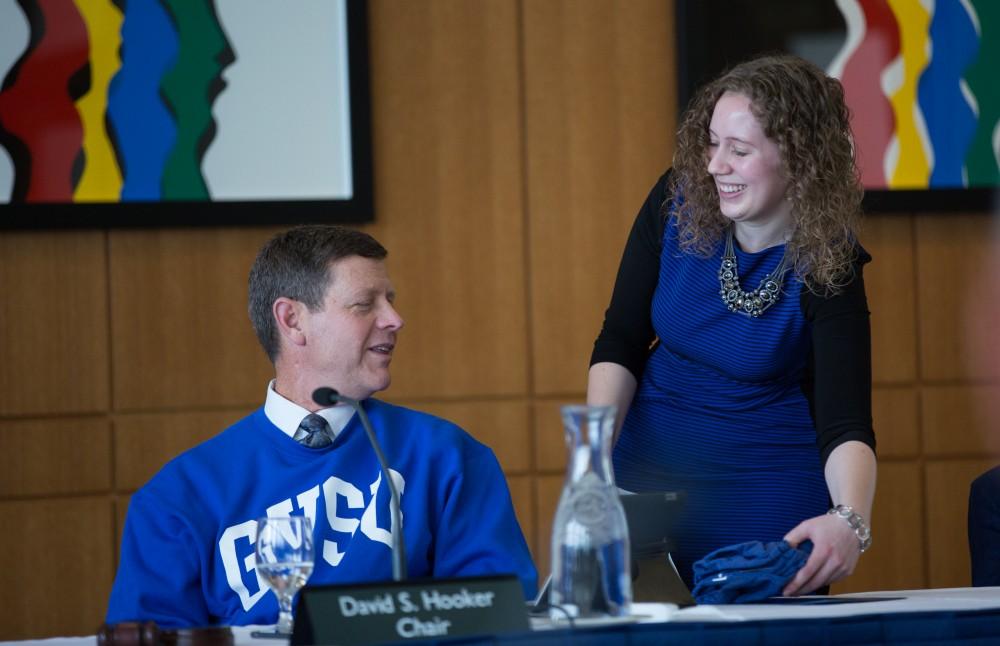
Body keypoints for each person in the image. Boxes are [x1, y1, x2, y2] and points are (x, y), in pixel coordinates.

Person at [106, 225, 537, 627]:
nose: (394, 319)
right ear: (292, 320)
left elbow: (498, 615)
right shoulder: (177, 497)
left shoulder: (448, 457)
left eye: (390, 300)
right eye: (365, 304)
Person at [588, 55, 876, 596]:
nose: (715, 164)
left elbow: (846, 423)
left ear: (799, 160)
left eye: (739, 151)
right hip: (645, 486)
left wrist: (850, 521)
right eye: (712, 142)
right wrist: (593, 463)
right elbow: (620, 340)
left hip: (766, 503)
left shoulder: (830, 264)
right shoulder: (675, 202)